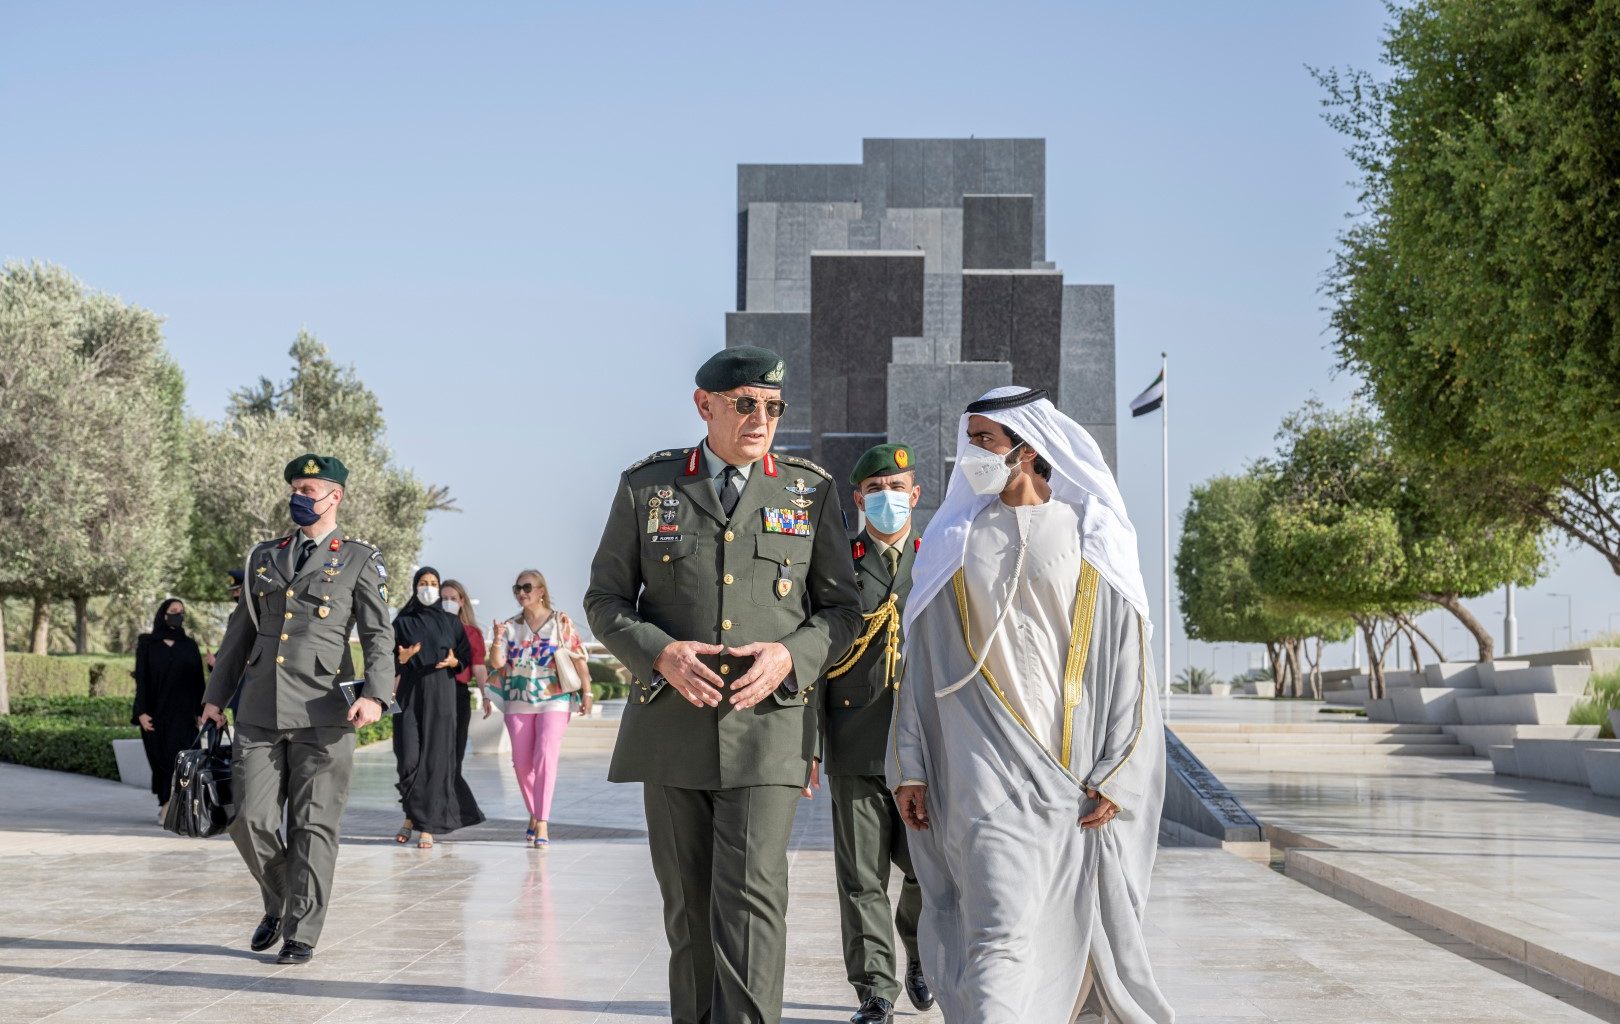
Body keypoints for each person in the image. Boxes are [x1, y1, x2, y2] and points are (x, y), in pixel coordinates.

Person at [585, 345, 863, 1024]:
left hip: (768, 726)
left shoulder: (809, 490)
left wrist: (790, 655)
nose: (760, 418)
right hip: (673, 727)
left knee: (752, 902)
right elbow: (606, 600)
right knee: (688, 907)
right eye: (745, 404)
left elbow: (842, 611)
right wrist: (660, 653)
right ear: (704, 405)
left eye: (772, 407)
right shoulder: (647, 488)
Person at [889, 387, 1173, 1023]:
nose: (973, 454)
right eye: (972, 439)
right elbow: (923, 663)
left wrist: (1119, 772)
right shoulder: (952, 542)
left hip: (1073, 774)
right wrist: (910, 761)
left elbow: (1130, 666)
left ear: (1028, 448)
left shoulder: (1091, 535)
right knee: (999, 927)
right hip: (981, 766)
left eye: (985, 440)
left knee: (1073, 936)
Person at [200, 453, 394, 966]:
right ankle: (283, 902)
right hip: (259, 707)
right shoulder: (263, 557)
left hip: (326, 710)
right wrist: (215, 699)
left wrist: (376, 694)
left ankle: (301, 931)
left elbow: (378, 634)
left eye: (310, 489)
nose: (300, 497)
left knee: (313, 825)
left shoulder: (358, 558)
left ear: (336, 496)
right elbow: (238, 635)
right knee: (250, 818)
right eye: (296, 488)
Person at [822, 444, 933, 1024]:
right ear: (859, 498)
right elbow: (817, 659)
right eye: (876, 488)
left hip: (925, 753)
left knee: (922, 869)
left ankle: (917, 950)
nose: (888, 497)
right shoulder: (838, 561)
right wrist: (810, 748)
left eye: (899, 487)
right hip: (856, 741)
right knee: (862, 878)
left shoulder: (939, 559)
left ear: (916, 496)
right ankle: (875, 991)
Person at [484, 569, 593, 847]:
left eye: (527, 587)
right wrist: (497, 638)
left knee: (545, 754)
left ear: (541, 590)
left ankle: (542, 821)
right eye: (517, 589)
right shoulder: (509, 626)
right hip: (518, 699)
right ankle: (535, 812)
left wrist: (587, 691)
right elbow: (497, 664)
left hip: (554, 698)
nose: (522, 593)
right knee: (521, 764)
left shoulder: (561, 622)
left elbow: (578, 657)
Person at [391, 566, 484, 849]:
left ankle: (424, 825)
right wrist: (403, 659)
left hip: (442, 696)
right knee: (407, 759)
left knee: (435, 760)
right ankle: (414, 816)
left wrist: (454, 662)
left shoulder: (450, 622)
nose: (428, 587)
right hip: (409, 695)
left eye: (433, 582)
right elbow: (386, 659)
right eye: (423, 582)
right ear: (414, 586)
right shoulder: (402, 622)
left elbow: (465, 658)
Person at [131, 598, 206, 823]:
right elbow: (141, 678)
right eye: (173, 611)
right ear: (163, 614)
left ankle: (179, 807)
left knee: (183, 761)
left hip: (184, 716)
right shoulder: (147, 643)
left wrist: (201, 712)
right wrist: (141, 712)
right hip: (156, 715)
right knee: (161, 761)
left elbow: (198, 682)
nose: (178, 615)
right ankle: (166, 804)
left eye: (181, 612)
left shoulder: (189, 645)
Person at [439, 578, 486, 766]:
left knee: (455, 756)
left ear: (461, 601)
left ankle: (452, 792)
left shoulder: (472, 632)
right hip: (433, 692)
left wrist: (486, 696)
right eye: (443, 598)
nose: (448, 602)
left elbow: (479, 666)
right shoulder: (428, 628)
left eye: (452, 598)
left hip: (458, 694)